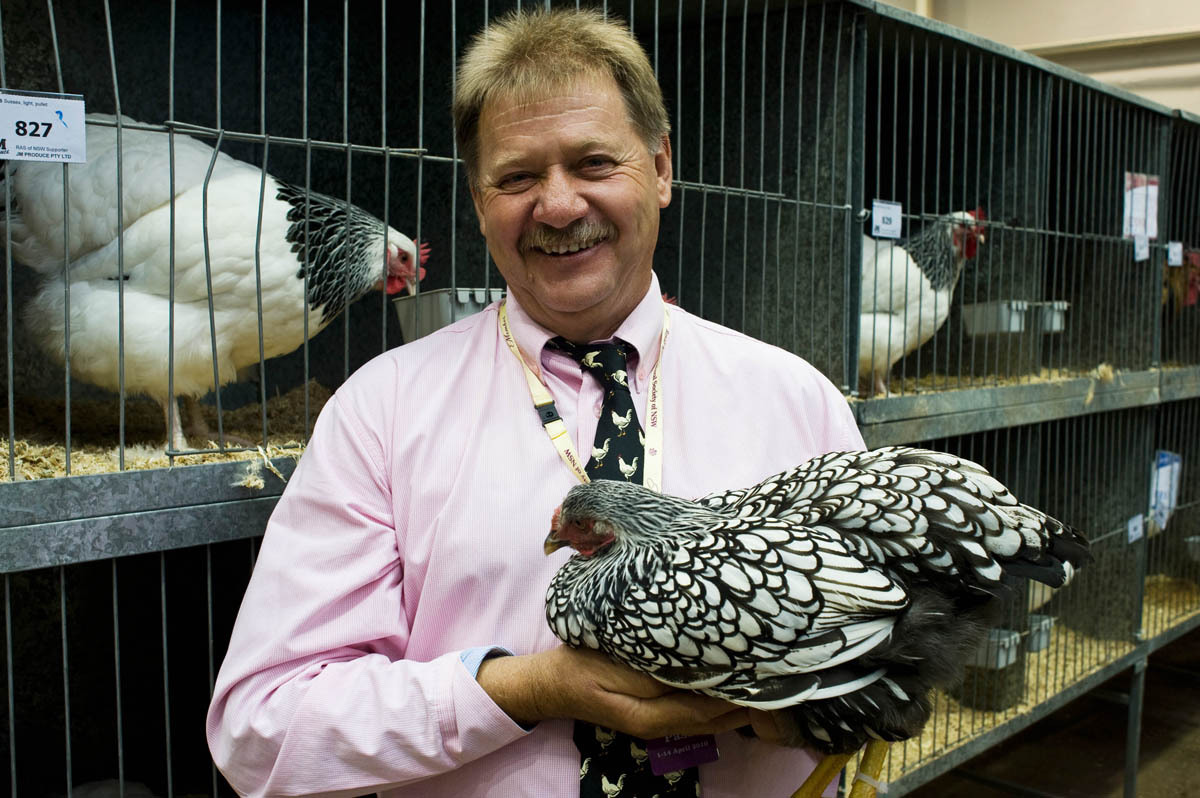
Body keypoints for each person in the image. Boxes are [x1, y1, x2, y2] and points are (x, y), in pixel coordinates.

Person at [207, 8, 863, 797]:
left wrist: (774, 702)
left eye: (593, 162)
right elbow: (261, 729)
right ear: (479, 199)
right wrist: (518, 690)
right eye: (516, 177)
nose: (557, 206)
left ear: (659, 167)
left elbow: (887, 659)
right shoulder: (381, 412)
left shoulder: (796, 402)